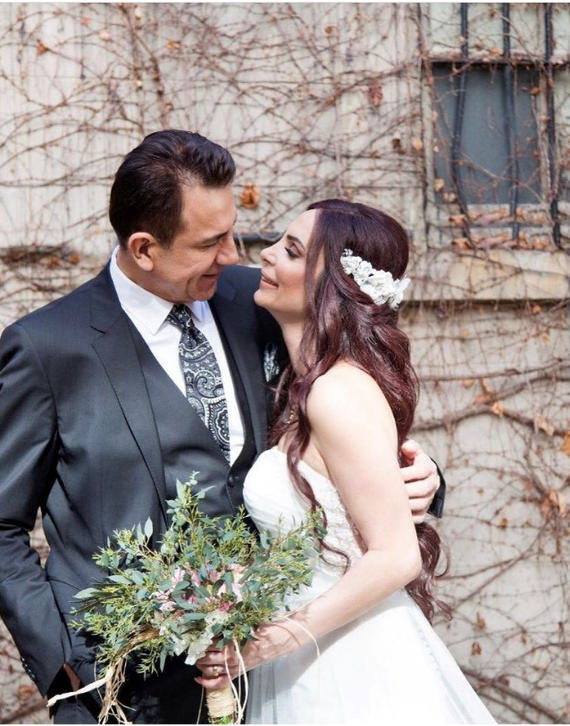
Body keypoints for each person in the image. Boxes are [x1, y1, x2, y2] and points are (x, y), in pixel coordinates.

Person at [0, 132, 443, 724]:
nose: (234, 256)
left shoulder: (259, 300)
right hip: (123, 694)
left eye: (234, 231)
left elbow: (346, 410)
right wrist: (65, 668)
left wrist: (420, 472)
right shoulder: (47, 348)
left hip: (278, 675)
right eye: (210, 243)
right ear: (144, 248)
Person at [195, 200, 495, 723]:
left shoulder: (337, 391)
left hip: (352, 664)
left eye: (292, 251)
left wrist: (270, 642)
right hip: (307, 656)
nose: (264, 254)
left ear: (333, 286)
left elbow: (396, 557)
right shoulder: (301, 386)